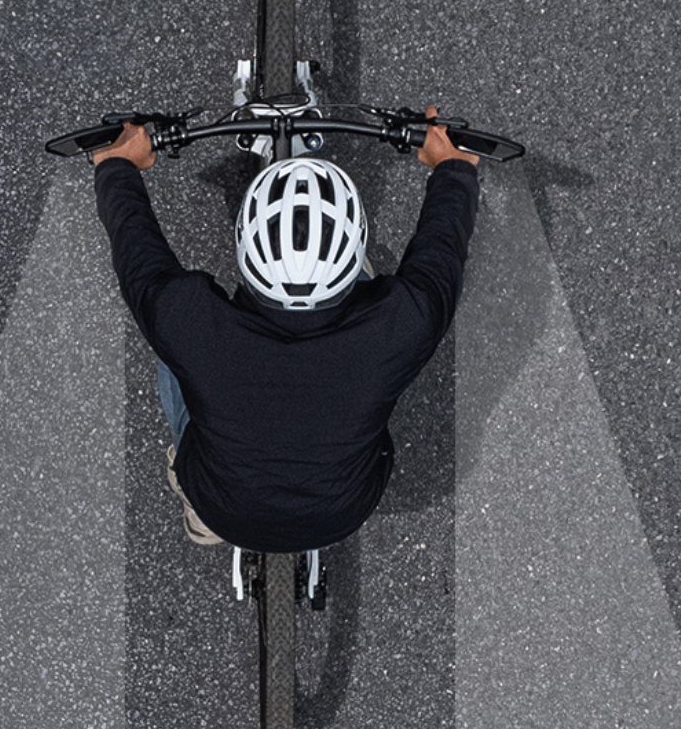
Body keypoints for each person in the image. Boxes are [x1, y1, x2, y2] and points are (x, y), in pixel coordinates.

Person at [92, 105, 479, 553]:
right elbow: (440, 253)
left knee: (170, 345)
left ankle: (198, 505)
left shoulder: (190, 321)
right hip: (341, 513)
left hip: (223, 507)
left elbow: (136, 251)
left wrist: (118, 164)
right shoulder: (402, 325)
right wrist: (452, 166)